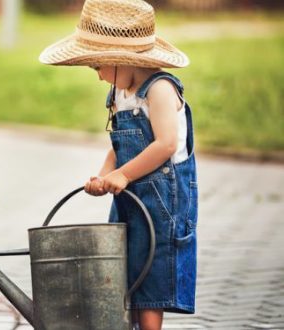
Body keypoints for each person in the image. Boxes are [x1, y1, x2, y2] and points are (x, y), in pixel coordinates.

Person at [38, 0, 198, 329]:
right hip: (130, 194)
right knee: (124, 264)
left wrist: (123, 174)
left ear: (120, 59)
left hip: (163, 200)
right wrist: (106, 175)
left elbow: (165, 144)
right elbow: (118, 145)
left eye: (98, 67)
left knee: (151, 269)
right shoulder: (120, 93)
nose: (98, 77)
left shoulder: (160, 89)